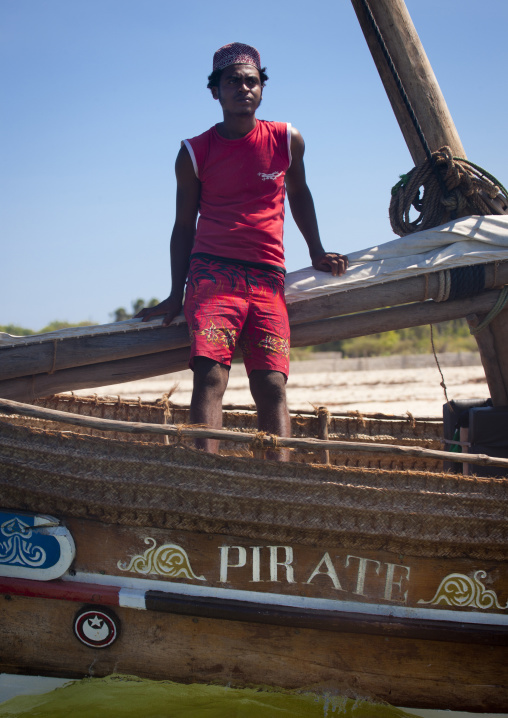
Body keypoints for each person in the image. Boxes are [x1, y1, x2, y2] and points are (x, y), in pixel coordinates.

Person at [137, 42, 348, 460]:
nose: (243, 88)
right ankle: (208, 476)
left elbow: (300, 195)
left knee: (271, 384)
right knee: (210, 376)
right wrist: (174, 292)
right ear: (215, 91)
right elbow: (183, 226)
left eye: (252, 81)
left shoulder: (287, 139)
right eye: (232, 81)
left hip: (268, 277)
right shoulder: (195, 152)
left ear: (262, 89)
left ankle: (275, 481)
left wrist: (317, 252)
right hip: (212, 276)